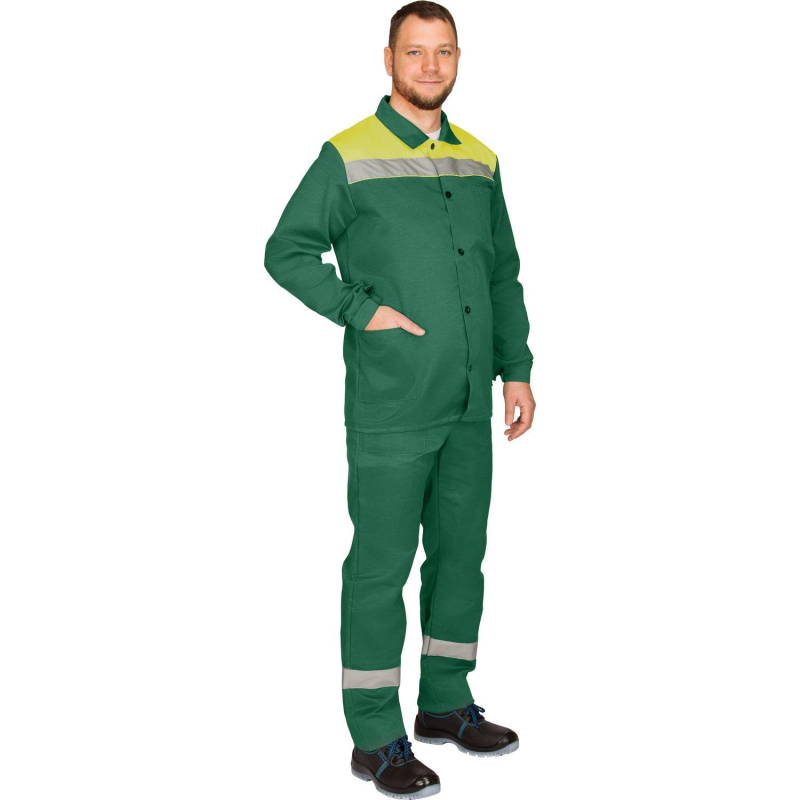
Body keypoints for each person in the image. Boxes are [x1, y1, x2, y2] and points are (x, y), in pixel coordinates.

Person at [264, 2, 535, 796]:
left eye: (442, 51)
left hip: (469, 401)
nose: (429, 65)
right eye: (414, 52)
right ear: (388, 60)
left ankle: (445, 702)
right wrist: (362, 310)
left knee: (460, 556)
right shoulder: (347, 154)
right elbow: (285, 250)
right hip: (392, 400)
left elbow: (502, 273)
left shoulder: (480, 158)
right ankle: (375, 736)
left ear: (458, 58)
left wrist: (516, 369)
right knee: (380, 568)